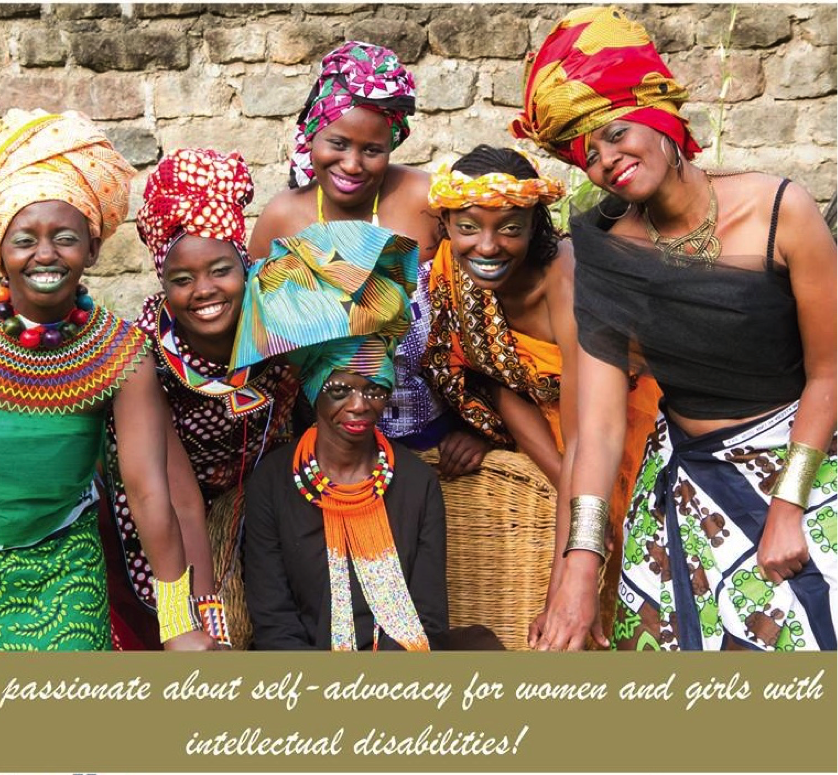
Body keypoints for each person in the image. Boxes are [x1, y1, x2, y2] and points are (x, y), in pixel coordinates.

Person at [512, 5, 838, 650]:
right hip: (685, 487)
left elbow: (830, 370)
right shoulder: (607, 252)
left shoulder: (779, 211)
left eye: (615, 132)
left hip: (803, 462)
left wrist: (788, 505)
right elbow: (599, 430)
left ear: (660, 115)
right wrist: (578, 573)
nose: (607, 159)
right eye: (587, 152)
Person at [0, 109, 216, 651]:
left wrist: (178, 620)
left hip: (64, 565)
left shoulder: (120, 353)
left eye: (65, 237)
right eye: (24, 239)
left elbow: (149, 489)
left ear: (94, 248)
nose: (46, 254)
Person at [423, 144, 661, 639]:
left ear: (537, 226)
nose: (487, 247)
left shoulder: (567, 278)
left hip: (624, 423)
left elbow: (587, 437)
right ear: (446, 224)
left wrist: (561, 592)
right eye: (468, 227)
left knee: (623, 572)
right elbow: (495, 377)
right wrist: (558, 478)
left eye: (510, 228)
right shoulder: (451, 270)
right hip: (552, 434)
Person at [248, 40, 489, 477]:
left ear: (393, 143)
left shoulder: (427, 200)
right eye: (337, 143)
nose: (352, 164)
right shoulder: (282, 219)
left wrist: (484, 428)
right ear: (312, 135)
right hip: (326, 447)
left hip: (438, 439)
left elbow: (491, 310)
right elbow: (261, 348)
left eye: (372, 150)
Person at [100, 148, 299, 650]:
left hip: (259, 486)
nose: (204, 291)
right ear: (162, 285)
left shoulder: (281, 327)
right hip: (163, 501)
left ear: (246, 265)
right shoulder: (147, 356)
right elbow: (178, 497)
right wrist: (208, 618)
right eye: (182, 280)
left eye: (220, 270)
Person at [237, 220, 450, 650]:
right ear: (313, 390)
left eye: (374, 388)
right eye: (339, 390)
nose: (359, 405)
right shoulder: (273, 484)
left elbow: (428, 617)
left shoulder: (416, 484)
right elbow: (274, 623)